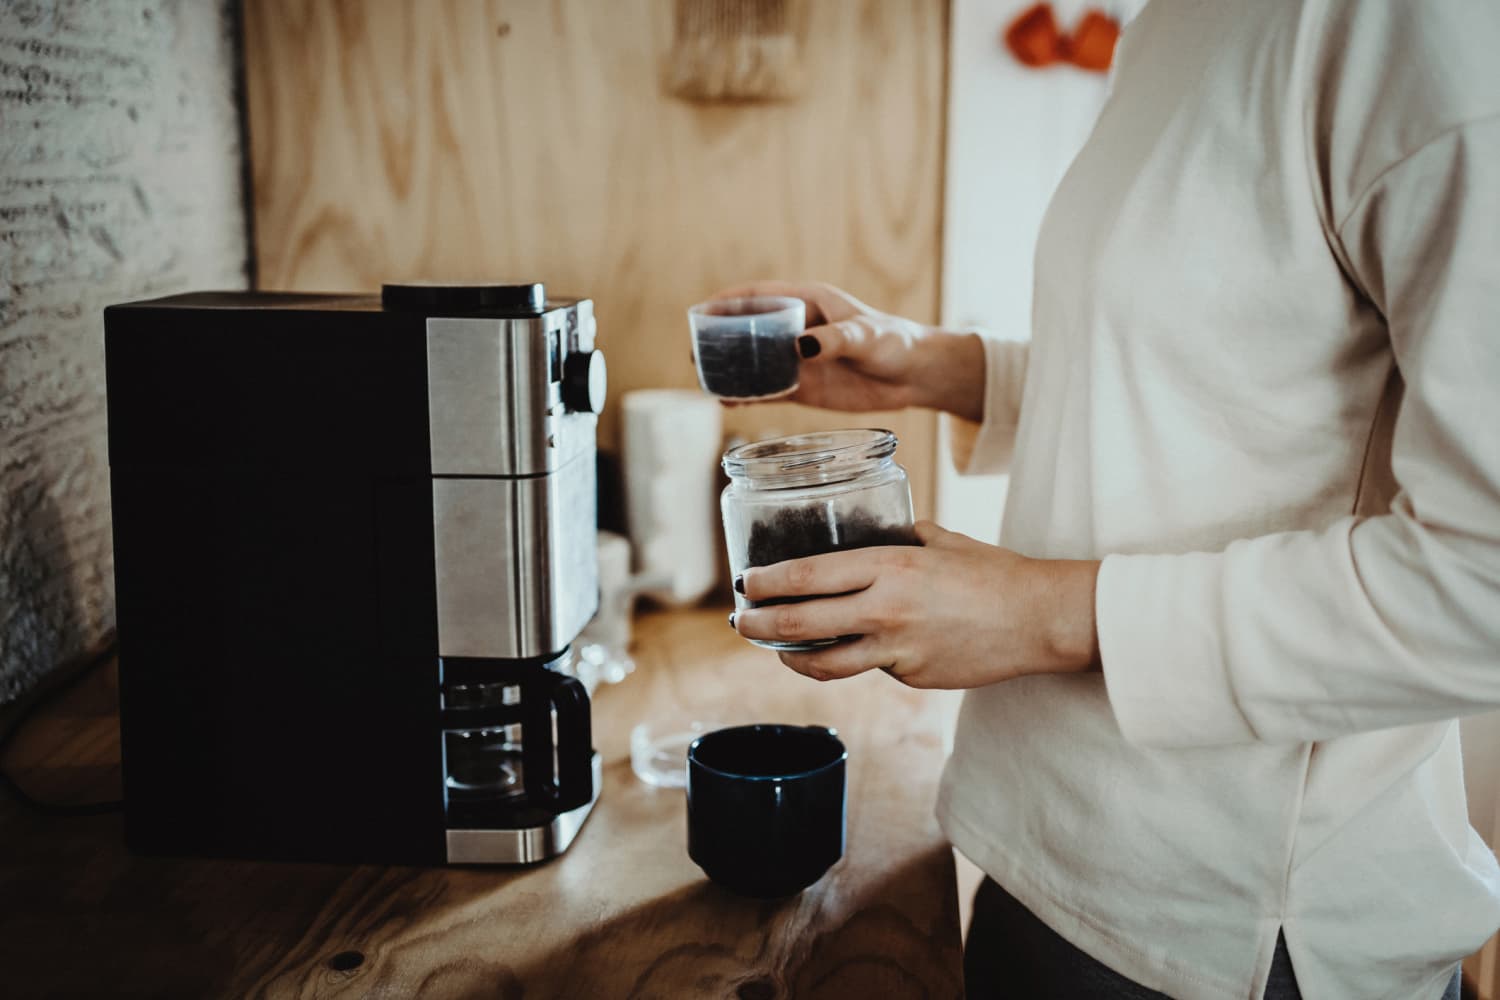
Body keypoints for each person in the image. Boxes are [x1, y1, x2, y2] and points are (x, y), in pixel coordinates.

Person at [713, 1, 1500, 996]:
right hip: (1047, 857)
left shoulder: (1415, 27)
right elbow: (1226, 371)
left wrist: (1038, 611)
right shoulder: (1177, 20)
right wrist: (939, 368)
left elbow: (1483, 585)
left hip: (1230, 936)